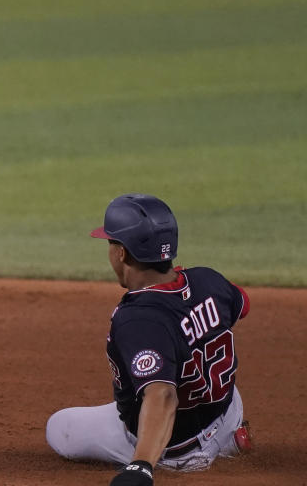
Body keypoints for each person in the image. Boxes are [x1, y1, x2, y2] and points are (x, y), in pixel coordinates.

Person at [46, 194, 253, 484]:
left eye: (110, 243)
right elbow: (241, 304)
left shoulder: (138, 319)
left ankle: (176, 458)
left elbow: (163, 396)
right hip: (225, 414)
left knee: (59, 428)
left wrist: (141, 465)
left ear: (121, 252)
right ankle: (230, 439)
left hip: (174, 446)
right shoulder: (208, 279)